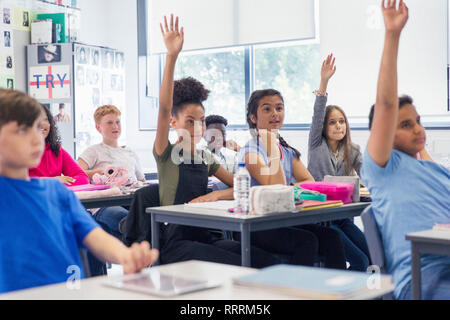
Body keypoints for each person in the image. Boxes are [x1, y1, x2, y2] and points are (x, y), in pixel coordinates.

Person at [151, 14, 281, 268]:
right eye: (190, 121)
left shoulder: (205, 157)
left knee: (265, 260)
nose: (198, 127)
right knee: (241, 264)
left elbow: (242, 187)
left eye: (201, 121)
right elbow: (165, 105)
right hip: (177, 243)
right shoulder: (165, 152)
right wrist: (171, 56)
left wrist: (216, 195)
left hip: (206, 234)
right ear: (173, 123)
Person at [0, 89, 159, 294]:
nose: (36, 138)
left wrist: (125, 256)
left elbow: (94, 236)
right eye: (22, 130)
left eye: (38, 127)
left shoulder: (57, 193)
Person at [362, 0, 450, 300]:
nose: (418, 129)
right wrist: (392, 35)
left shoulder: (437, 171)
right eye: (405, 124)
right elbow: (386, 104)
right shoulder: (383, 167)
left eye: (418, 121)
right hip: (423, 277)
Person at [241, 88, 347, 269]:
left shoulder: (286, 150)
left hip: (284, 220)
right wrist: (272, 149)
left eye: (279, 108)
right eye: (267, 109)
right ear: (253, 118)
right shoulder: (251, 151)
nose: (275, 114)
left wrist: (289, 185)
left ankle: (335, 294)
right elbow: (277, 188)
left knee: (332, 237)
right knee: (307, 241)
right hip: (258, 226)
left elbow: (309, 181)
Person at [307, 54, 371, 271]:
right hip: (321, 217)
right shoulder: (316, 143)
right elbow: (317, 114)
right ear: (323, 128)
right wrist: (324, 82)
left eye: (342, 122)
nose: (338, 126)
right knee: (360, 261)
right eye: (332, 122)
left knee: (372, 255)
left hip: (343, 216)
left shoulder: (352, 150)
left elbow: (369, 175)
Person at [77, 105, 145, 244]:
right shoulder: (93, 151)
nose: (115, 126)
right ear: (98, 128)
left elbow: (142, 181)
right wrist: (100, 172)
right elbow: (77, 174)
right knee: (126, 220)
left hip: (130, 199)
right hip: (104, 203)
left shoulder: (129, 152)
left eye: (118, 122)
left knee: (147, 217)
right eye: (109, 122)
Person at [29, 104, 88, 186]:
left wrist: (57, 185)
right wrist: (53, 181)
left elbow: (83, 178)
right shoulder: (16, 152)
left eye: (45, 119)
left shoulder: (56, 149)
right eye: (36, 120)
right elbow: (18, 181)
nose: (42, 123)